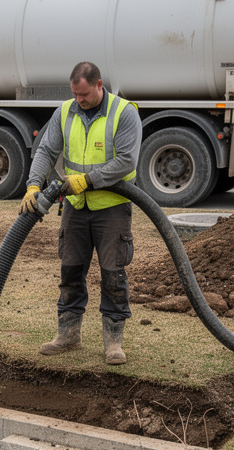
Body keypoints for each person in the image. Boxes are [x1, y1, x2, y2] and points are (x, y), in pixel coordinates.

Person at [21, 61, 142, 365]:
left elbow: (127, 161)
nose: (80, 100)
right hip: (75, 207)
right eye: (75, 95)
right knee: (71, 270)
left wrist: (88, 181)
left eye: (85, 95)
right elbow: (47, 150)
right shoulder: (65, 112)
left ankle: (113, 342)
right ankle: (68, 334)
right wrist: (34, 185)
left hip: (111, 206)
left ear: (99, 85)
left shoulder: (124, 112)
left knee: (113, 274)